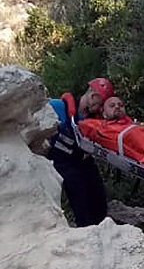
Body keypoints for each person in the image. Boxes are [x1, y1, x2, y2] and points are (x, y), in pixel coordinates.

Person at [47, 77, 113, 227]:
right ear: (92, 96)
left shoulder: (95, 121)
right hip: (62, 162)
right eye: (100, 104)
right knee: (80, 199)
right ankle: (85, 232)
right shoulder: (58, 107)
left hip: (84, 161)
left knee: (99, 201)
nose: (100, 108)